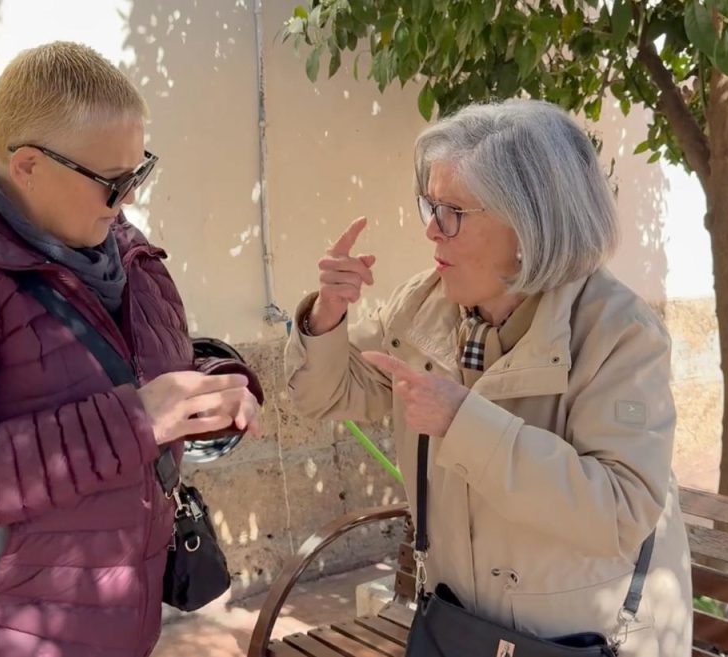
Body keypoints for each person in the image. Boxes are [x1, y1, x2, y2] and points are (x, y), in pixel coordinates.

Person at [0, 41, 263, 657]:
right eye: (113, 182)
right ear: (29, 166)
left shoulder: (119, 246)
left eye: (139, 172)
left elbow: (131, 367)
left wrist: (211, 387)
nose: (129, 199)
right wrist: (136, 420)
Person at [284, 99, 692, 656]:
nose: (431, 230)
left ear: (530, 223)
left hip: (575, 639)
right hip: (461, 626)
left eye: (452, 211)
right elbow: (325, 394)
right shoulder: (424, 306)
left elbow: (622, 512)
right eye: (430, 205)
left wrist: (463, 423)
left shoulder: (620, 333)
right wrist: (327, 317)